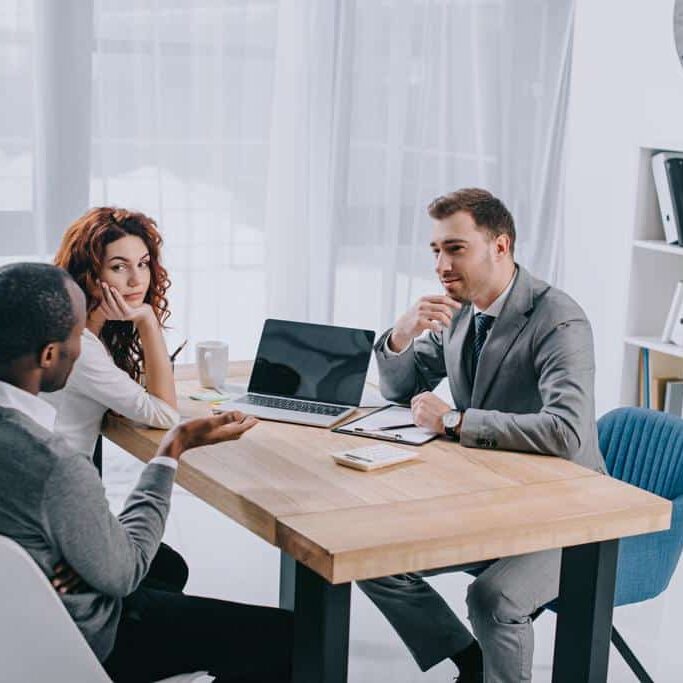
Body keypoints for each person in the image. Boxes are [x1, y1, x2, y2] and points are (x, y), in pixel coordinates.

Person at [357, 188, 606, 683]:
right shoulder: (463, 312)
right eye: (436, 251)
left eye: (456, 248)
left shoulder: (558, 318)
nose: (442, 265)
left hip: (566, 512)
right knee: (367, 554)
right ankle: (473, 666)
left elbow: (567, 430)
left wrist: (454, 422)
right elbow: (401, 388)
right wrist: (402, 333)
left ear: (500, 246)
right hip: (487, 498)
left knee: (493, 599)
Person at [0, 262, 292, 682]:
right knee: (286, 637)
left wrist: (42, 561)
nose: (83, 347)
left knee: (167, 566)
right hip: (74, 639)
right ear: (48, 354)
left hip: (12, 620)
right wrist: (172, 449)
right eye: (78, 336)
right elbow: (125, 571)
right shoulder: (54, 465)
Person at [48, 206, 187, 591]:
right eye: (118, 267)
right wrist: (147, 322)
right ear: (88, 274)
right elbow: (164, 414)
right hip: (57, 513)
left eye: (143, 264)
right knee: (168, 569)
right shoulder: (80, 347)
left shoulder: (76, 329)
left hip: (57, 504)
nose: (136, 279)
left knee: (167, 568)